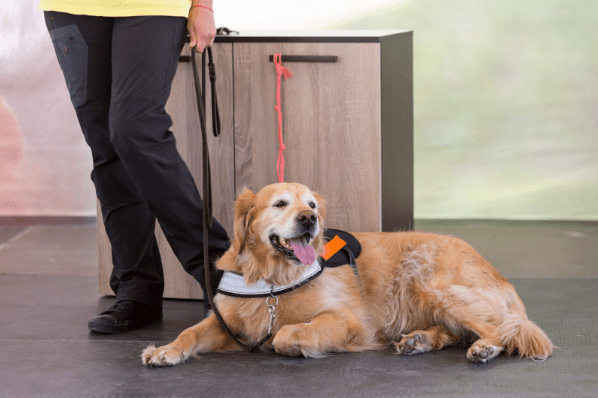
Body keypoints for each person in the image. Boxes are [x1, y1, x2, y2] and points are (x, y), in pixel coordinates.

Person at [39, 0, 231, 333]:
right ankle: (137, 287)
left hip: (153, 6)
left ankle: (220, 271)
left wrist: (202, 4)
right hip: (69, 7)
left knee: (134, 128)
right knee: (105, 143)